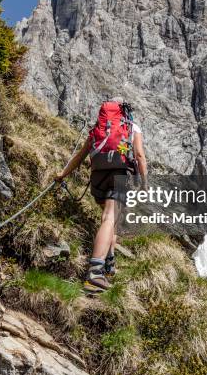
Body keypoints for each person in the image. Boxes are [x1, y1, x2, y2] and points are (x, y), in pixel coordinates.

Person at [55, 97, 147, 294]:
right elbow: (139, 155)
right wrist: (145, 183)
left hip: (98, 177)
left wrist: (63, 174)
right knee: (109, 218)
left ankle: (109, 262)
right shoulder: (132, 127)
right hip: (119, 175)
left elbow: (80, 155)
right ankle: (95, 273)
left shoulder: (99, 128)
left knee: (110, 220)